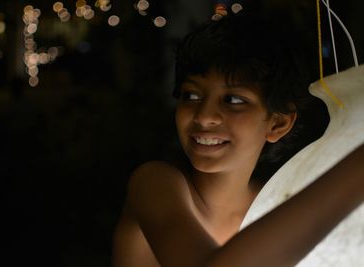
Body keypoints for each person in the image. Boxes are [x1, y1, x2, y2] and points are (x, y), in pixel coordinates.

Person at [111, 12, 364, 267]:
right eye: (191, 95)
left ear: (278, 123)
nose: (205, 116)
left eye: (234, 100)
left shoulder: (275, 202)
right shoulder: (155, 184)